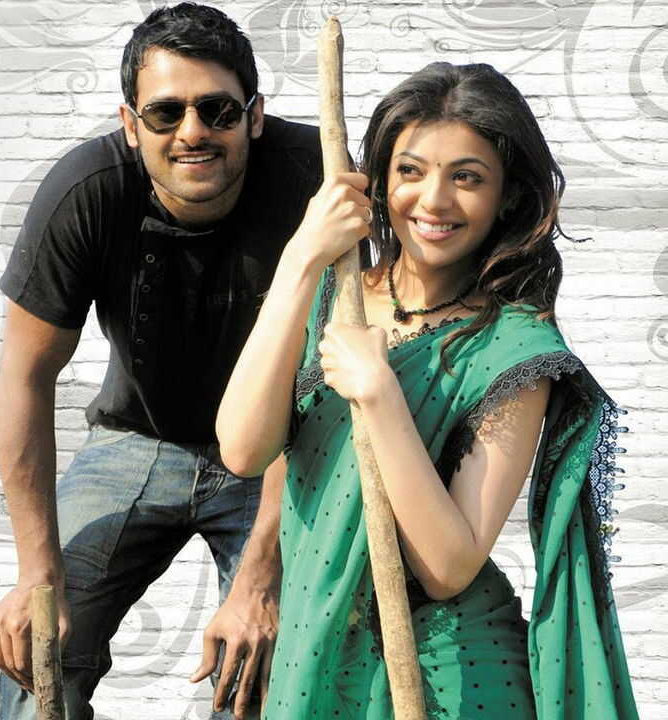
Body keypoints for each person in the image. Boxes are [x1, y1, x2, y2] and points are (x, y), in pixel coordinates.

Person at [215, 61, 640, 718]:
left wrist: (380, 394)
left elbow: (448, 566)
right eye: (410, 171)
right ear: (380, 182)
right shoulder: (330, 290)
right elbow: (243, 449)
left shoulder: (511, 349)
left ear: (508, 197)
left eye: (466, 177)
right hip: (314, 652)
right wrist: (301, 256)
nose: (434, 200)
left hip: (447, 676)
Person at [0, 4, 323, 719]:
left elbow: (323, 386)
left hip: (281, 449)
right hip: (136, 436)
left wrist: (262, 576)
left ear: (255, 116)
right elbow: (24, 376)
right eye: (166, 113)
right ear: (131, 124)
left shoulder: (314, 183)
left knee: (275, 669)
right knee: (35, 654)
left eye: (217, 110)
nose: (192, 132)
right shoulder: (87, 190)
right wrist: (36, 576)